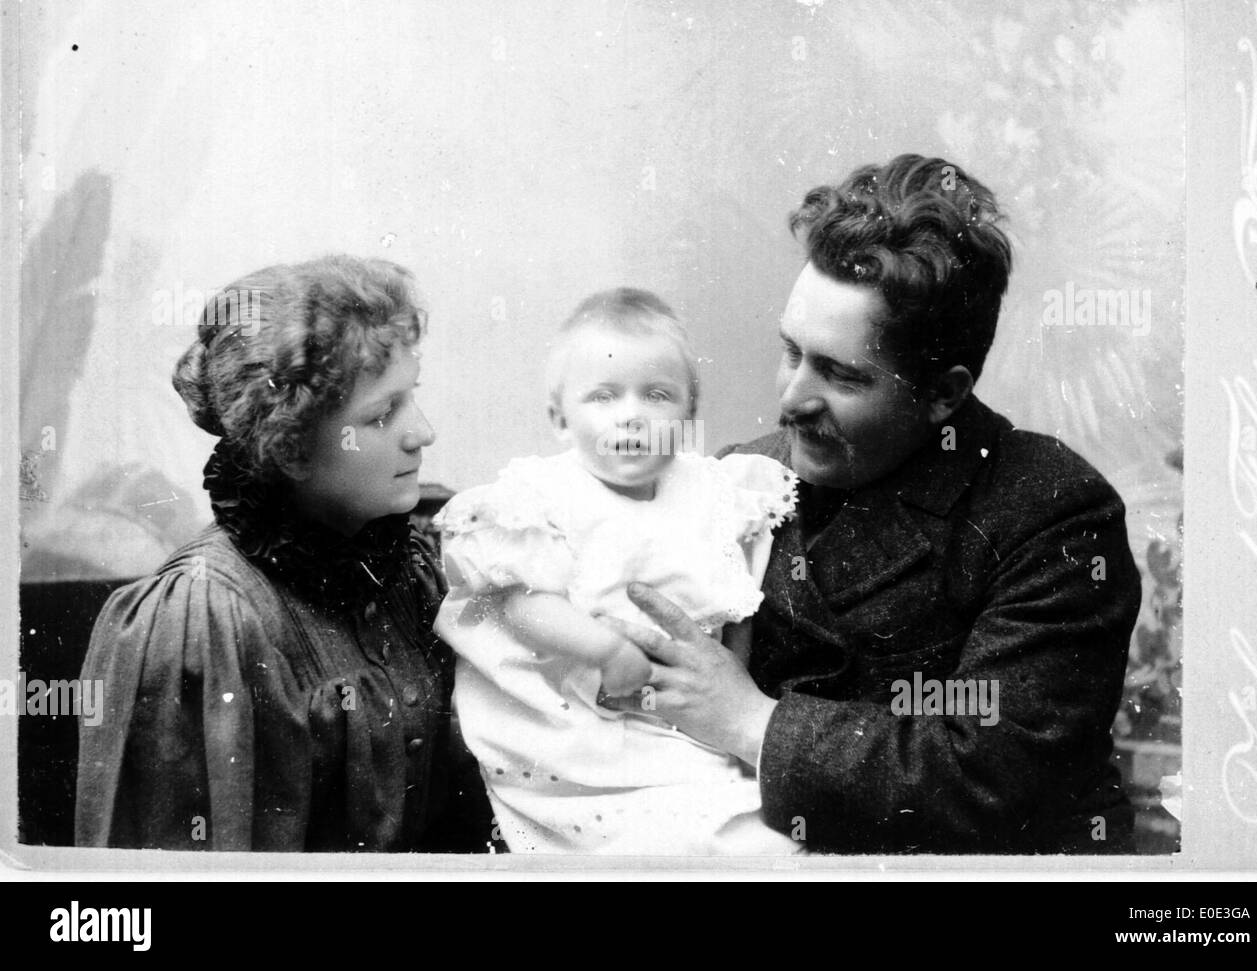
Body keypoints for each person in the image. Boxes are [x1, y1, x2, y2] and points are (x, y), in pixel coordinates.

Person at [600, 155, 1143, 854]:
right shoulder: (739, 478)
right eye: (791, 351)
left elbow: (991, 774)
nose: (790, 399)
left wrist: (750, 721)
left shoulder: (1051, 510)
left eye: (840, 373)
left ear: (944, 393)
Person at [76, 255, 492, 851]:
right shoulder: (202, 619)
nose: (422, 432)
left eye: (411, 398)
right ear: (291, 450)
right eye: (382, 414)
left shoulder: (413, 562)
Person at [433, 289, 801, 854]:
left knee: (759, 829)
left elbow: (734, 609)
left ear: (687, 415)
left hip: (681, 725)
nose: (631, 414)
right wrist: (606, 650)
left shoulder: (716, 494)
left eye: (656, 395)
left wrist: (732, 712)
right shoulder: (543, 498)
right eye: (603, 396)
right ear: (560, 419)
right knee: (671, 837)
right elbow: (520, 602)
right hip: (573, 723)